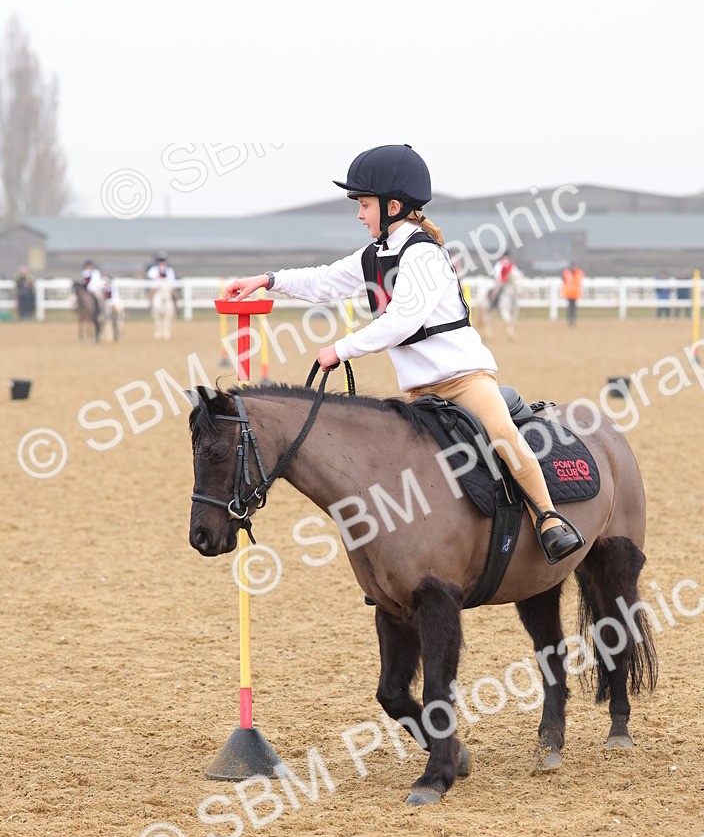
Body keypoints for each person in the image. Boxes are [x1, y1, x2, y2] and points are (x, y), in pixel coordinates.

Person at [225, 143, 583, 565]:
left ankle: (548, 519)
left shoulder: (424, 255)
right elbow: (324, 282)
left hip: (465, 381)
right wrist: (267, 280)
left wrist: (340, 349)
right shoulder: (376, 254)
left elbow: (402, 321)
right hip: (420, 392)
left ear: (393, 205)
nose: (359, 214)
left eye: (364, 204)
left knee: (504, 438)